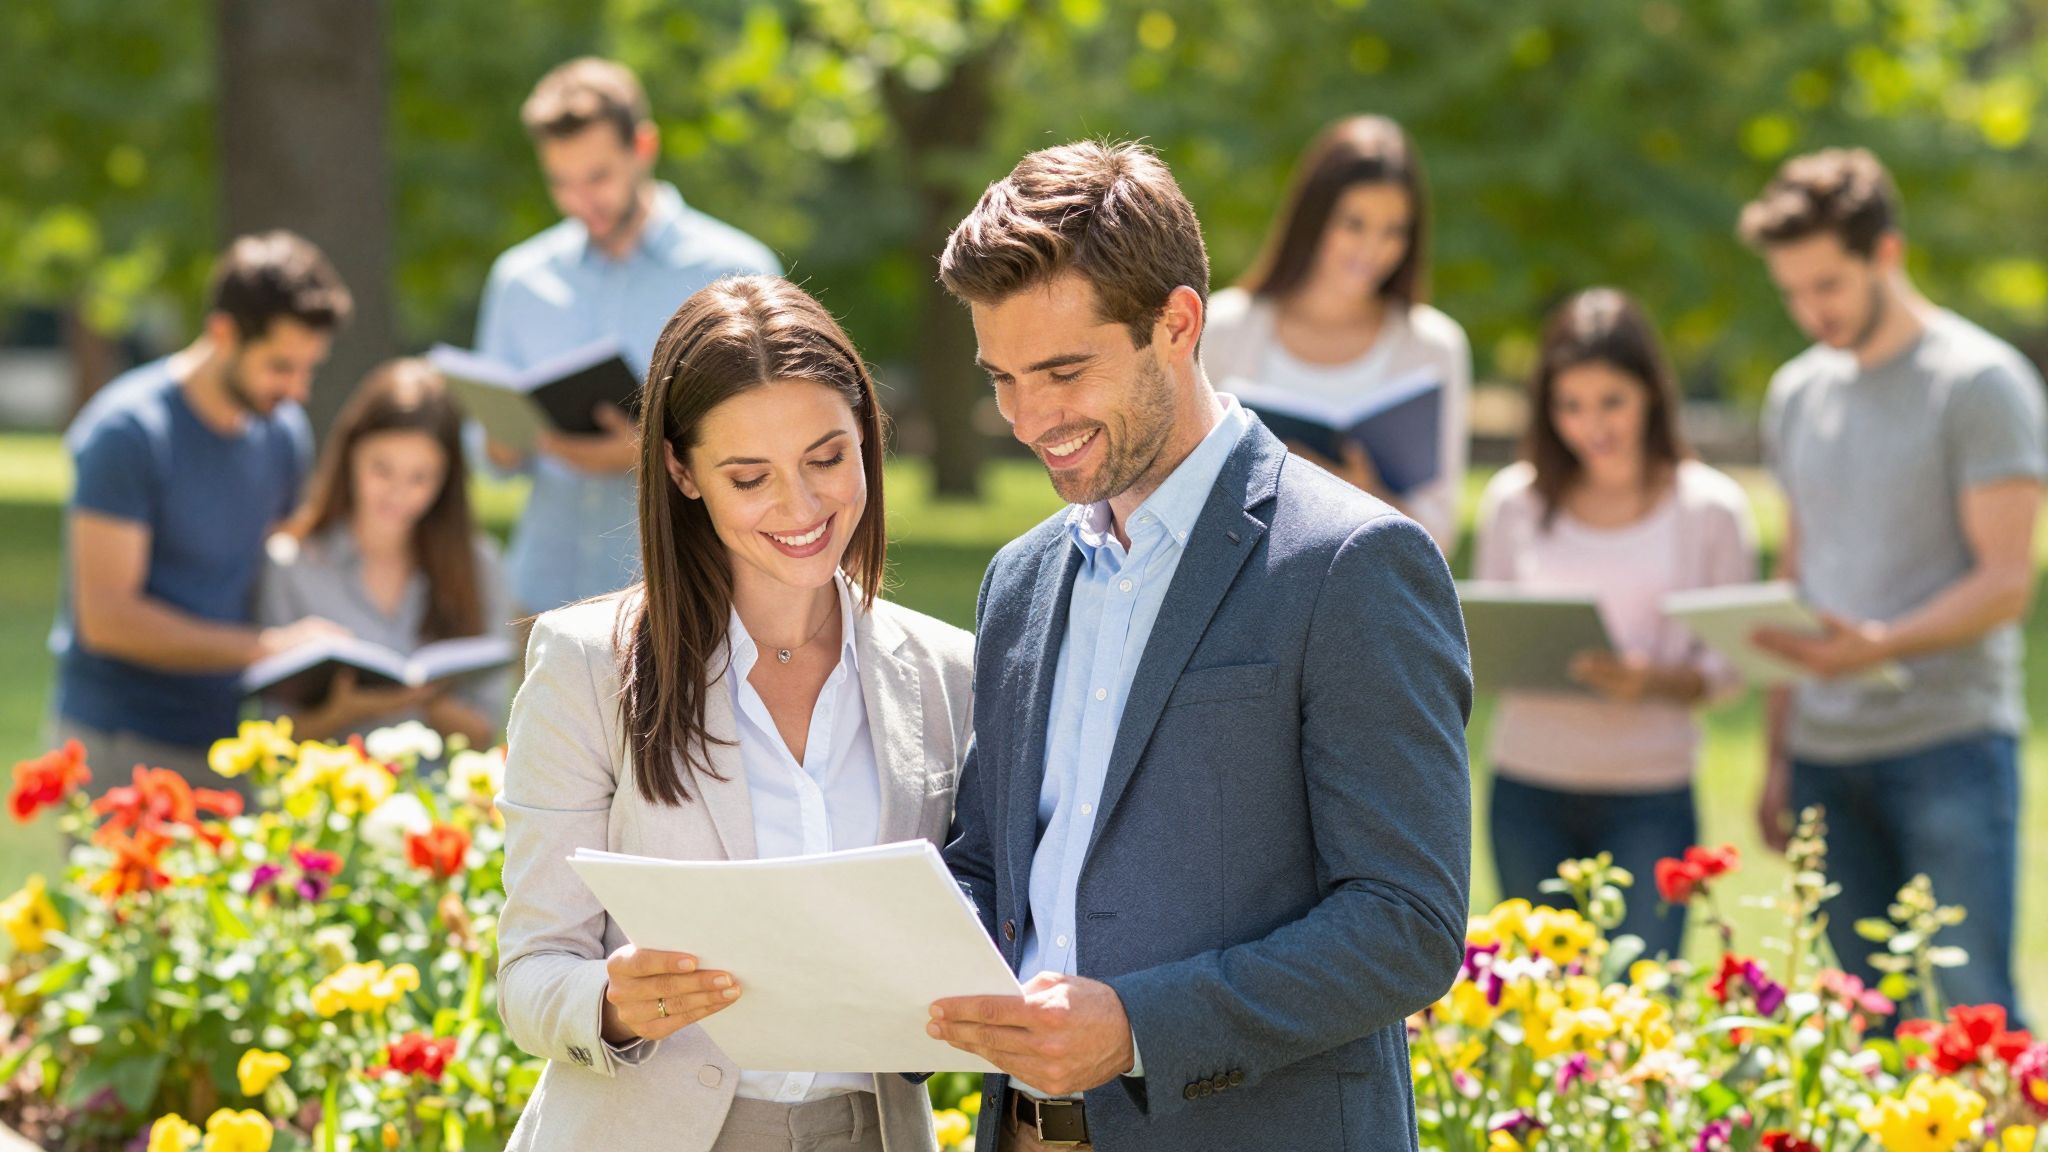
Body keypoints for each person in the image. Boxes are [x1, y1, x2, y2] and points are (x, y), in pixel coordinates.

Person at [931, 142, 1471, 1151]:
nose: (1028, 419)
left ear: (1174, 325)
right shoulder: (1018, 578)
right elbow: (992, 865)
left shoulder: (1352, 562)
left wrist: (1137, 1029)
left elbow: (1405, 923)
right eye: (1001, 378)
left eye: (1061, 370)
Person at [496, 276, 972, 1152]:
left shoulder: (949, 673)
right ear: (681, 471)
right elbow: (530, 971)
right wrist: (611, 1002)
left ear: (868, 434)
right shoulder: (589, 665)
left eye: (828, 458)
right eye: (749, 477)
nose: (801, 508)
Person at [1742, 148, 2044, 1020]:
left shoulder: (1980, 384)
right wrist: (1775, 759)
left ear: (1886, 253)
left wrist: (1882, 645)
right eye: (1792, 290)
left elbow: (2004, 584)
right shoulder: (1797, 392)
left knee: (1974, 1014)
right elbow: (1791, 581)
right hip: (1825, 759)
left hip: (1948, 745)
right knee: (1866, 1028)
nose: (1810, 310)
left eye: (1827, 285)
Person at [1473, 288, 1757, 960]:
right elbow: (1487, 631)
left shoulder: (1710, 509)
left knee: (1644, 996)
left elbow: (1734, 666)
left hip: (1650, 792)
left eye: (1611, 403)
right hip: (1528, 784)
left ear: (1651, 395)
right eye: (1569, 406)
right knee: (1537, 999)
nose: (1591, 425)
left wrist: (1660, 681)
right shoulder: (1513, 502)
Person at [475, 57, 782, 620]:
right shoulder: (519, 279)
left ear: (643, 148)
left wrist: (650, 454)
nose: (579, 201)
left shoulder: (734, 268)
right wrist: (501, 437)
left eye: (598, 177)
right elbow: (492, 458)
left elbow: (771, 434)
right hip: (545, 594)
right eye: (560, 183)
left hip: (686, 596)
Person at [52, 231, 352, 790]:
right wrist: (267, 648)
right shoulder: (129, 433)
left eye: (309, 368)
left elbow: (282, 561)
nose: (298, 389)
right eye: (282, 366)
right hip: (121, 743)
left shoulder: (282, 431)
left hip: (228, 738)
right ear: (223, 332)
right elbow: (107, 620)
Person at [1202, 115, 1471, 553]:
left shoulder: (1434, 346)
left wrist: (1360, 492)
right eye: (1354, 223)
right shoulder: (1223, 329)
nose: (1372, 249)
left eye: (1394, 231)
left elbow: (1439, 537)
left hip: (1370, 602)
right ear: (1314, 218)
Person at [256, 359, 513, 746]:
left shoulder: (479, 565)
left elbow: (487, 731)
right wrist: (346, 711)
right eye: (381, 469)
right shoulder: (291, 564)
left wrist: (426, 703)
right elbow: (273, 735)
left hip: (440, 801)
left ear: (446, 479)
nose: (397, 493)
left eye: (420, 477)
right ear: (350, 456)